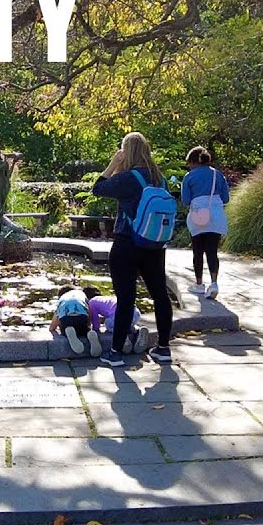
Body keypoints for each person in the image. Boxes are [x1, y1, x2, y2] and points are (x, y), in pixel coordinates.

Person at [92, 132, 176, 367]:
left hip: (127, 243)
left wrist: (113, 164)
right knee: (160, 294)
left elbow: (98, 189)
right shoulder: (160, 179)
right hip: (155, 245)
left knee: (126, 298)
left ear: (126, 152)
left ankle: (116, 352)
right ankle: (163, 348)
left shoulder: (128, 178)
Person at [181, 146, 230, 298]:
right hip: (215, 215)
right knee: (212, 250)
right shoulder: (218, 175)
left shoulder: (189, 176)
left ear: (194, 162)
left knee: (198, 251)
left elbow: (186, 200)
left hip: (197, 215)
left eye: (189, 163)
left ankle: (199, 283)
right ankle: (214, 283)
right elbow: (226, 198)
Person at [82, 286, 142, 352]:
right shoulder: (107, 298)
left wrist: (95, 330)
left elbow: (95, 320)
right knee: (127, 323)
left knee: (108, 323)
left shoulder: (91, 302)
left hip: (119, 316)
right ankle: (137, 330)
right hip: (135, 312)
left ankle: (124, 337)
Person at [49, 285, 102, 356]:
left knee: (66, 327)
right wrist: (88, 324)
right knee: (83, 329)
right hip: (81, 317)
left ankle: (68, 331)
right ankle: (89, 333)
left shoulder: (62, 299)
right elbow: (89, 311)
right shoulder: (81, 295)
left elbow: (56, 318)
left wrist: (52, 328)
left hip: (67, 319)